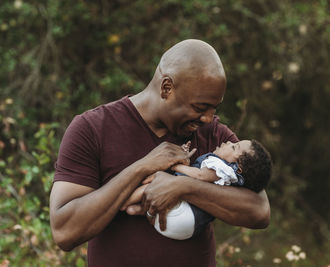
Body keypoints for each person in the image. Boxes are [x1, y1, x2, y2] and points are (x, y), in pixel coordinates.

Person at [49, 39, 271, 267]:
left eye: (214, 108)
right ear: (167, 88)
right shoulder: (93, 129)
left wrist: (182, 187)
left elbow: (259, 211)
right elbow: (65, 231)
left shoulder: (213, 135)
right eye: (200, 107)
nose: (207, 118)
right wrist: (143, 167)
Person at [121, 139, 272, 240]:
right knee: (159, 186)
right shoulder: (233, 178)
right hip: (187, 227)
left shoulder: (221, 168)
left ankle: (123, 201)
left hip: (183, 217)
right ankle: (134, 209)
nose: (228, 141)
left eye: (234, 146)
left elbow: (200, 175)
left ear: (238, 167)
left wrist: (174, 165)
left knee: (156, 181)